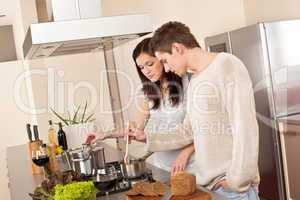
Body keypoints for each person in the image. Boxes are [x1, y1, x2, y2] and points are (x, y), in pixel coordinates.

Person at [131, 22, 260, 199]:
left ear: (177, 48)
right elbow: (188, 131)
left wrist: (237, 181)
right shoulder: (195, 80)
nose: (166, 68)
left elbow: (245, 128)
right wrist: (148, 137)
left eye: (165, 61)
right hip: (210, 186)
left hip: (233, 189)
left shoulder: (227, 65)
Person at [86, 37, 196, 174]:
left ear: (162, 59)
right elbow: (136, 127)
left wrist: (186, 153)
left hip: (191, 165)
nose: (146, 71)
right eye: (141, 67)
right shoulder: (149, 92)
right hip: (163, 166)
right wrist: (105, 134)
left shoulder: (190, 83)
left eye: (150, 64)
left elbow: (200, 130)